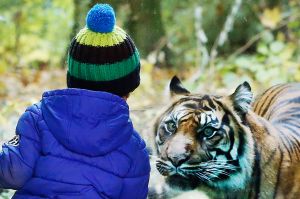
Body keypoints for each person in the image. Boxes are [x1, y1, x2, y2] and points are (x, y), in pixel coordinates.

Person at [0, 4, 150, 199]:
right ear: (128, 90)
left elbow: (12, 174)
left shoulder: (37, 119)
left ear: (71, 78)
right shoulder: (135, 149)